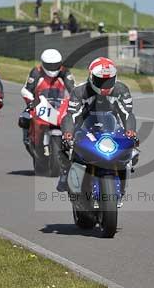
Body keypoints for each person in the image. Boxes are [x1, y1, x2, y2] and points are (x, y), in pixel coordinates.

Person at [56, 57, 137, 192]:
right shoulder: (79, 91)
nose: (105, 84)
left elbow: (127, 113)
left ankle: (121, 182)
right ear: (91, 77)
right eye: (101, 80)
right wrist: (68, 133)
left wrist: (130, 131)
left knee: (133, 152)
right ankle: (65, 173)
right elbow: (71, 115)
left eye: (109, 80)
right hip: (85, 128)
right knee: (65, 146)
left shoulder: (121, 89)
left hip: (111, 127)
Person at [19, 49, 75, 146]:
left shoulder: (65, 72)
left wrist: (75, 101)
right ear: (43, 63)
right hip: (40, 103)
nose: (53, 68)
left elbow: (73, 90)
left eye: (55, 65)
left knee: (76, 118)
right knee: (24, 117)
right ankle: (28, 138)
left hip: (60, 104)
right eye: (50, 65)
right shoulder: (36, 72)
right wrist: (31, 101)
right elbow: (27, 90)